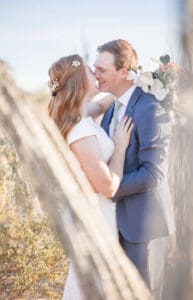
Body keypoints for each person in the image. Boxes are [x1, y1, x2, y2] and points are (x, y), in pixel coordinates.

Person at [95, 39, 176, 300]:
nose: (96, 75)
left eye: (102, 70)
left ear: (124, 70)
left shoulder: (150, 108)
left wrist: (108, 189)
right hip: (114, 223)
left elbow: (154, 173)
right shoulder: (112, 108)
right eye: (95, 69)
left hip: (143, 227)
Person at [48, 54, 133, 300]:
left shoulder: (81, 115)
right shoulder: (81, 129)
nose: (95, 73)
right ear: (79, 81)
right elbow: (107, 186)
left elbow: (103, 104)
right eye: (89, 70)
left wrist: (134, 81)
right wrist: (119, 147)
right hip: (93, 217)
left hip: (93, 213)